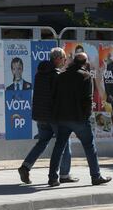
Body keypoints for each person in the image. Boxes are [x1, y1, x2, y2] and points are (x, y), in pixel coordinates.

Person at [48, 52, 112, 186]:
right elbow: (88, 99)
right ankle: (96, 176)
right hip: (79, 119)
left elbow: (55, 97)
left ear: (73, 61)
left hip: (63, 118)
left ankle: (53, 178)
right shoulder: (86, 76)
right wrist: (86, 116)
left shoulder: (62, 75)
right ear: (85, 63)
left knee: (59, 147)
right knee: (89, 146)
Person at [18, 48, 78, 184]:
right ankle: (64, 174)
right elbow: (59, 97)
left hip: (40, 115)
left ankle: (25, 167)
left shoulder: (40, 73)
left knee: (42, 142)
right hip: (53, 116)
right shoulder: (56, 75)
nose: (64, 61)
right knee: (64, 143)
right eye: (63, 59)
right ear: (57, 59)